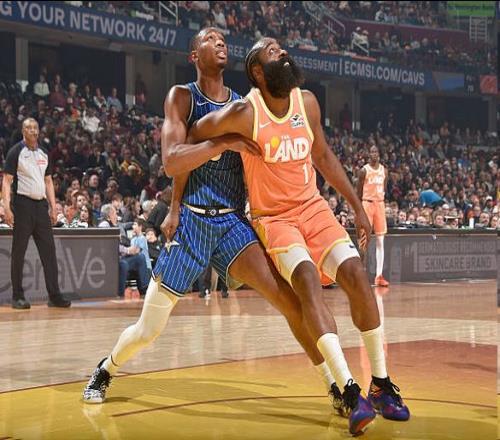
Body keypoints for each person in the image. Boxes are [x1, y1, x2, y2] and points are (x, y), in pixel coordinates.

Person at [83, 29, 342, 417]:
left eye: (222, 39)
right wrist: (215, 152)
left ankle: (334, 386)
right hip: (192, 222)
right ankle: (106, 368)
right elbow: (172, 162)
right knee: (149, 330)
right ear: (194, 55)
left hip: (232, 224)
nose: (220, 42)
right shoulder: (182, 97)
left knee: (290, 303)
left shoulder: (243, 106)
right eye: (210, 38)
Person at [186, 38, 410, 434]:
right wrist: (227, 141)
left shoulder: (306, 102)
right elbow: (196, 129)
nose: (284, 53)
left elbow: (322, 156)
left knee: (357, 275)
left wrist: (357, 206)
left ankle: (380, 384)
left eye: (282, 48)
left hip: (314, 208)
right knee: (306, 281)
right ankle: (349, 391)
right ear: (258, 71)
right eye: (273, 51)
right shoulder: (245, 112)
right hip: (275, 219)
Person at [1, 118, 71, 309]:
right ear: (23, 131)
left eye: (35, 128)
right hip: (22, 205)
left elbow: (48, 181)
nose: (32, 131)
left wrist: (53, 206)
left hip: (41, 207)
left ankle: (54, 296)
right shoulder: (16, 152)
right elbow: (7, 181)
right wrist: (7, 208)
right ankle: (17, 296)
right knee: (19, 252)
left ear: (38, 131)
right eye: (29, 128)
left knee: (49, 252)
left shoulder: (44, 153)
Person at [357, 145, 389, 287]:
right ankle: (360, 275)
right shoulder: (364, 171)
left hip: (380, 204)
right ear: (368, 154)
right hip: (367, 204)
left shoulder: (384, 171)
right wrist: (358, 209)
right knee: (364, 240)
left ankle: (379, 276)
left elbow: (384, 188)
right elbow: (358, 191)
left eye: (376, 151)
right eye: (371, 152)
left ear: (379, 154)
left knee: (380, 240)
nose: (374, 154)